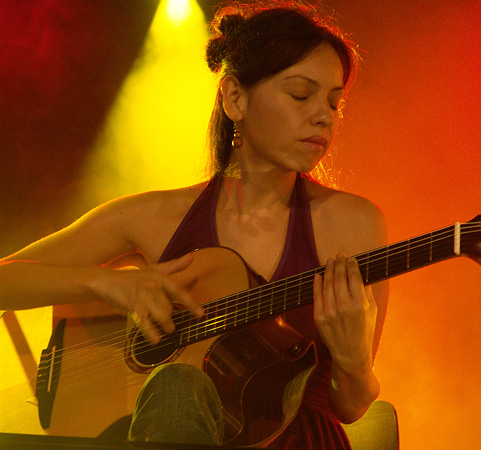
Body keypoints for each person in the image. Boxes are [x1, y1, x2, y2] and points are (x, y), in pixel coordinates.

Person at [0, 1, 389, 448]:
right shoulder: (151, 217)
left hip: (296, 440)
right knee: (177, 385)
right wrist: (103, 285)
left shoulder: (354, 225)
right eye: (301, 94)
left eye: (334, 102)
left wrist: (355, 364)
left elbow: (351, 407)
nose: (324, 115)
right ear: (235, 98)